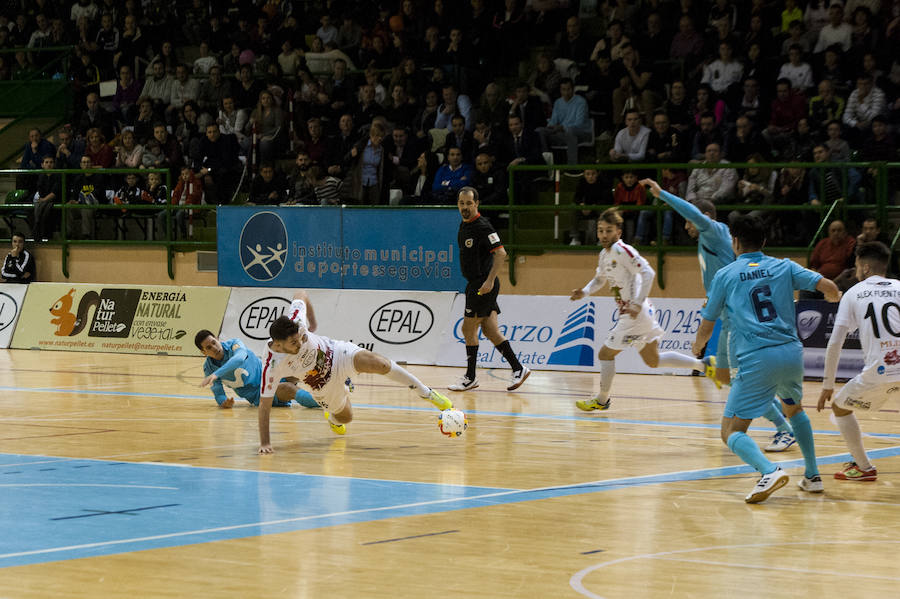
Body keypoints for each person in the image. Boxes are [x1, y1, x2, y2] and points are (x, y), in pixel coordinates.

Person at [641, 177, 798, 452]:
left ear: (704, 216)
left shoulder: (713, 230)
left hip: (737, 320)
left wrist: (662, 193)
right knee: (726, 377)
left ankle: (784, 428)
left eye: (689, 221)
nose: (686, 226)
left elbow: (692, 213)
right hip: (729, 317)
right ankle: (711, 366)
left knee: (742, 381)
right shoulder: (712, 237)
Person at [692, 215, 841, 503]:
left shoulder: (726, 275)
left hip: (757, 358)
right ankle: (812, 475)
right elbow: (829, 287)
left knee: (730, 431)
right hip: (791, 354)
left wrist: (697, 347)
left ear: (735, 241)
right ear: (764, 240)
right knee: (794, 408)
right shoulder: (784, 266)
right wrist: (835, 298)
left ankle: (769, 471)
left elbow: (708, 325)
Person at [257, 291, 453, 453]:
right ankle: (332, 417)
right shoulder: (271, 365)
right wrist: (265, 443)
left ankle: (427, 393)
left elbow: (301, 294)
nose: (299, 343)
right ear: (278, 345)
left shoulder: (296, 322)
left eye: (299, 338)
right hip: (323, 386)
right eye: (293, 343)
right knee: (346, 418)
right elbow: (264, 406)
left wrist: (312, 322)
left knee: (381, 364)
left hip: (336, 354)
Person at [570, 207, 714, 412]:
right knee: (653, 361)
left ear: (618, 232)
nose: (603, 235)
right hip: (639, 314)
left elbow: (648, 272)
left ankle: (602, 399)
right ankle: (703, 365)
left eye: (608, 230)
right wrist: (584, 292)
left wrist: (637, 303)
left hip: (635, 315)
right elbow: (599, 279)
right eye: (600, 230)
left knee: (605, 354)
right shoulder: (604, 254)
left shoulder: (623, 250)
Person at [817, 242, 899, 483]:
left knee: (840, 407)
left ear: (864, 267)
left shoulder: (854, 293)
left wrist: (827, 384)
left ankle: (864, 467)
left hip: (880, 371)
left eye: (856, 266)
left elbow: (835, 343)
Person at [450, 187, 531, 392]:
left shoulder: (483, 227)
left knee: (467, 329)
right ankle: (518, 368)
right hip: (476, 283)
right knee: (490, 330)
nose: (465, 207)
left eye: (469, 203)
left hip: (481, 286)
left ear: (477, 204)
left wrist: (489, 281)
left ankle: (470, 377)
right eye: (462, 203)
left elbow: (501, 253)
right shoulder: (464, 225)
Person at [195, 330, 317, 409]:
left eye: (214, 342)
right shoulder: (209, 368)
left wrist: (216, 374)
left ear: (217, 339)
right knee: (288, 389)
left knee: (299, 368)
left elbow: (239, 359)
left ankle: (326, 386)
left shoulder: (234, 344)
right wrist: (224, 402)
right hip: (260, 393)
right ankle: (323, 403)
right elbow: (218, 394)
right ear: (203, 352)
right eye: (208, 348)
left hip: (271, 373)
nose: (214, 348)